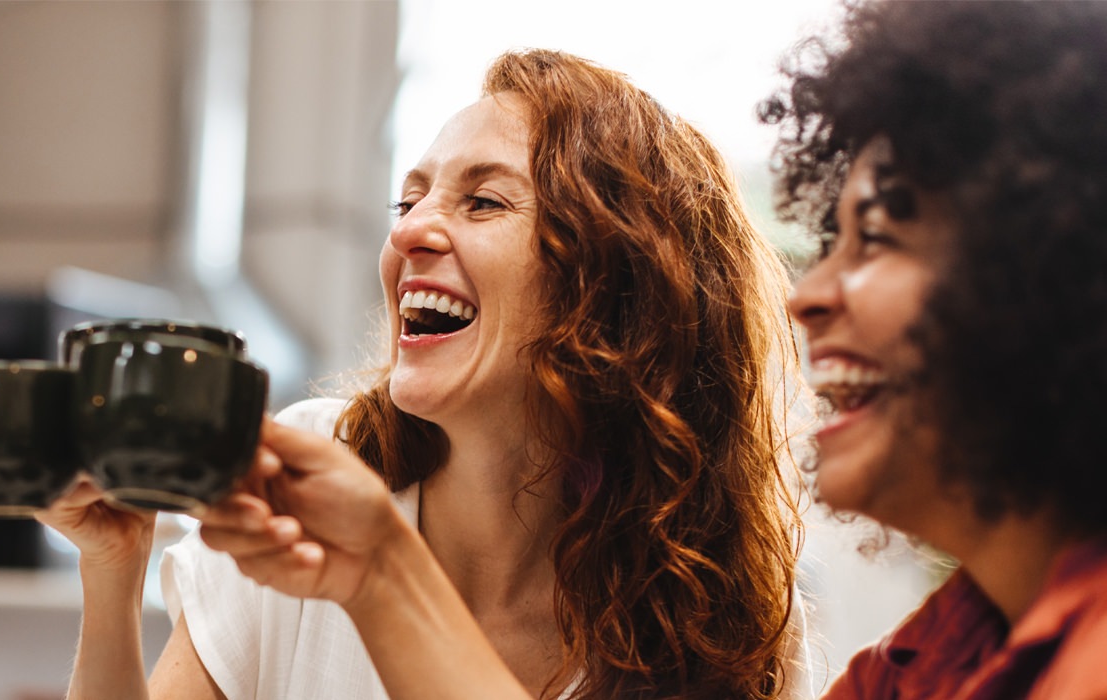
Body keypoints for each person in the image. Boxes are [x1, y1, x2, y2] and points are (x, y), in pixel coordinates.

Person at [41, 49, 810, 699]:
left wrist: (382, 573)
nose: (407, 231)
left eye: (482, 201)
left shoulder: (719, 606)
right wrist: (113, 571)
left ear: (617, 282)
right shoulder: (307, 479)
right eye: (406, 200)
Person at [763, 1, 1107, 698]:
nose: (804, 297)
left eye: (878, 234)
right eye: (832, 241)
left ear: (1055, 271)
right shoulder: (936, 656)